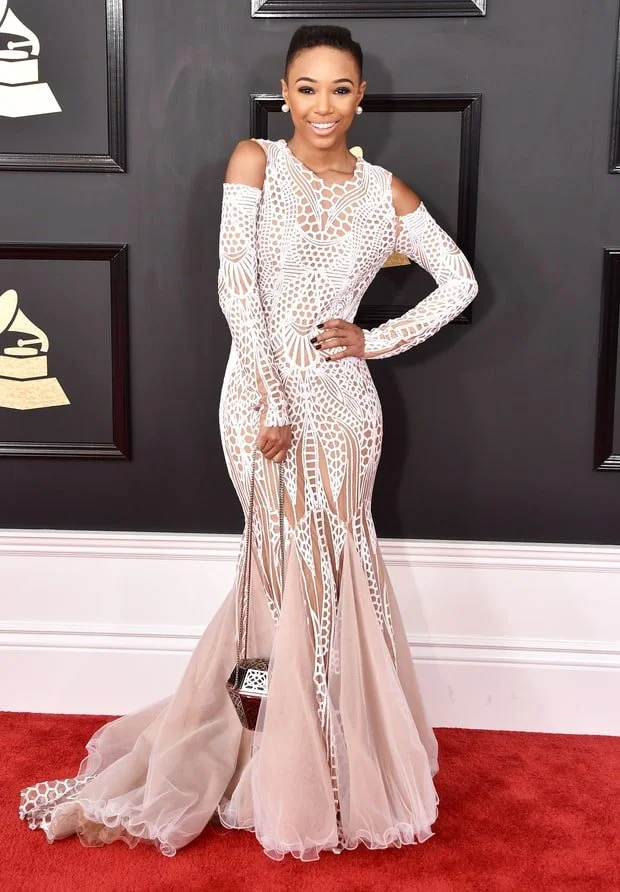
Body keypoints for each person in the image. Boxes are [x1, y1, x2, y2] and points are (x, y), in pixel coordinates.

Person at [18, 24, 478, 862]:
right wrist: (271, 396)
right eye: (307, 87)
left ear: (362, 95)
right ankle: (262, 749)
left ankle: (332, 757)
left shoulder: (385, 193)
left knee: (336, 577)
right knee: (275, 573)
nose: (323, 106)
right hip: (260, 400)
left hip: (346, 408)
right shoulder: (254, 161)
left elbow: (462, 281)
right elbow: (236, 286)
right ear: (284, 90)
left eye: (340, 89)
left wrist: (374, 340)